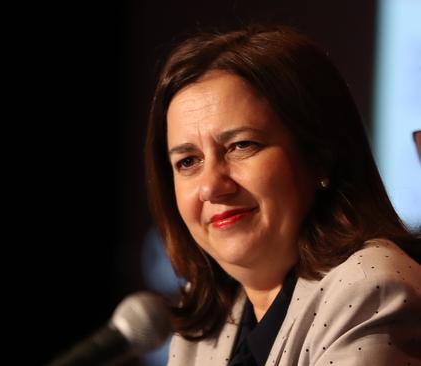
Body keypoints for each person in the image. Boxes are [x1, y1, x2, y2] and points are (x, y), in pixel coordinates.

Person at [144, 25, 421, 365]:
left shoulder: (369, 288)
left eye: (241, 145)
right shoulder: (207, 322)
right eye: (188, 162)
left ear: (319, 157)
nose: (211, 186)